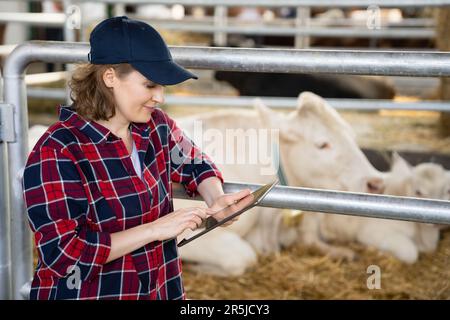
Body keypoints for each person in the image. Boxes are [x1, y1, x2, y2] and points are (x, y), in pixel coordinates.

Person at [22, 16, 250, 300]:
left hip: (160, 288)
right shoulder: (58, 151)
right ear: (110, 77)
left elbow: (194, 162)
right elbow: (65, 255)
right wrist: (155, 229)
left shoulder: (155, 126)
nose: (160, 97)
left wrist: (215, 199)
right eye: (150, 85)